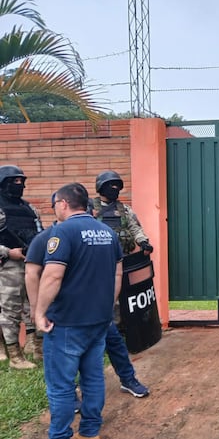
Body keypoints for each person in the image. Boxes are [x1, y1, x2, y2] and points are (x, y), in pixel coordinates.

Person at [35, 183, 123, 439]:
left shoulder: (62, 232)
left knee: (61, 385)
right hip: (99, 320)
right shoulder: (108, 232)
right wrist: (107, 305)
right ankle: (89, 432)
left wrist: (40, 313)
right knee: (93, 378)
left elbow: (52, 276)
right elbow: (118, 272)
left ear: (63, 204)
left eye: (55, 206)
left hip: (67, 323)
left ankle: (60, 435)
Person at [92, 170, 151, 397]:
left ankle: (124, 332)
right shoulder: (92, 208)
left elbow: (134, 227)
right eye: (110, 185)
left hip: (124, 261)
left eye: (117, 185)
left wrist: (143, 242)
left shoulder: (124, 209)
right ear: (101, 187)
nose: (114, 189)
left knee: (126, 300)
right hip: (99, 264)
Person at [0, 164, 42, 370]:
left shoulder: (29, 208)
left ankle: (34, 346)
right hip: (8, 266)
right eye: (14, 181)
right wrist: (8, 252)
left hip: (31, 263)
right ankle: (15, 356)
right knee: (10, 310)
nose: (19, 185)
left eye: (21, 181)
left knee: (32, 305)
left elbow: (39, 234)